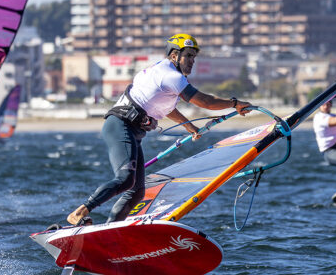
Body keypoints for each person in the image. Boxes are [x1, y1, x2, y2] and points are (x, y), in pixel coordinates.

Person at [63, 33, 253, 227]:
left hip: (131, 131)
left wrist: (190, 127)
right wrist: (235, 103)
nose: (192, 61)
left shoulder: (163, 73)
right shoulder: (170, 75)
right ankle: (80, 212)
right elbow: (205, 101)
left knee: (136, 192)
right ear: (174, 56)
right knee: (125, 179)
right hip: (120, 125)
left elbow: (168, 108)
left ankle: (110, 230)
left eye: (194, 57)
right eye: (188, 56)